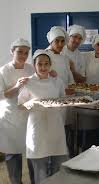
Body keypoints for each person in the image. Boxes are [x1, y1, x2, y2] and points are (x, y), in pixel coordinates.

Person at [18, 49, 68, 184]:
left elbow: (64, 100)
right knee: (40, 166)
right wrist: (32, 103)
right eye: (40, 64)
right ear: (34, 65)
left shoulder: (57, 81)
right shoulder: (28, 82)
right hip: (37, 126)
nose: (43, 67)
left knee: (58, 164)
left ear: (50, 65)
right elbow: (20, 106)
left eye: (46, 64)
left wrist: (60, 105)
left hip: (55, 125)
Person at [0, 38, 35, 184]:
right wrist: (16, 86)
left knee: (32, 150)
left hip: (28, 114)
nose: (23, 55)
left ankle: (36, 180)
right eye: (19, 52)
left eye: (26, 53)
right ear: (12, 51)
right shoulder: (3, 70)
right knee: (13, 152)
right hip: (10, 116)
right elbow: (2, 94)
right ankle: (16, 182)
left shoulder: (30, 68)